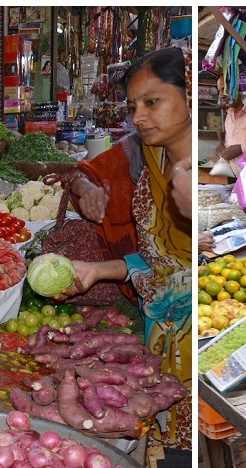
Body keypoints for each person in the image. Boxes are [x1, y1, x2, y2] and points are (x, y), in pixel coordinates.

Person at [61, 47, 193, 379]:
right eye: (133, 107)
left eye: (152, 102)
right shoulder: (147, 153)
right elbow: (161, 263)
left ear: (190, 95)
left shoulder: (209, 175)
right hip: (159, 331)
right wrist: (96, 270)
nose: (138, 118)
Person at [212, 90, 246, 222]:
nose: (221, 95)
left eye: (225, 89)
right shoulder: (229, 115)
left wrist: (241, 148)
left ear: (239, 89)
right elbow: (231, 142)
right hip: (241, 182)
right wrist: (224, 149)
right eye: (219, 91)